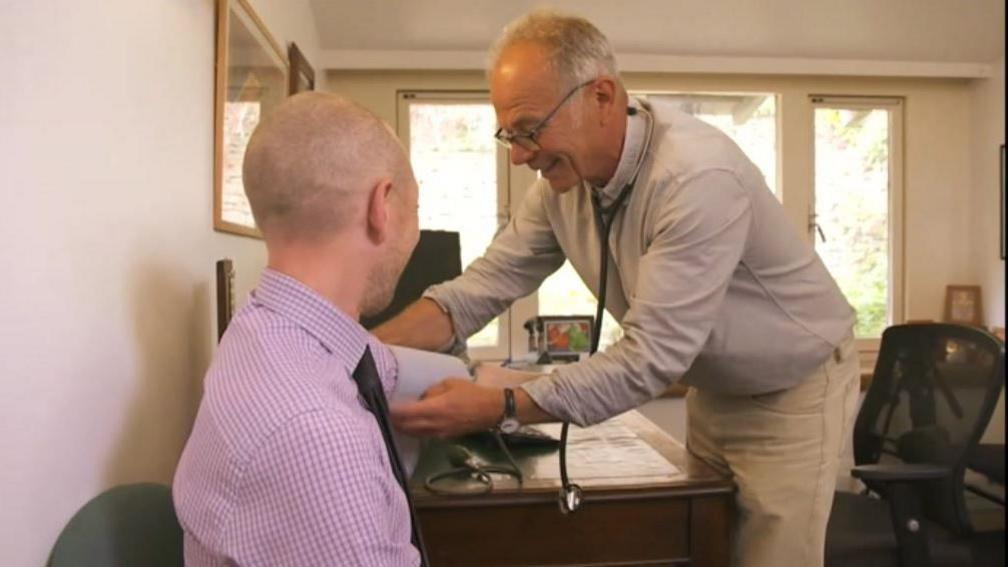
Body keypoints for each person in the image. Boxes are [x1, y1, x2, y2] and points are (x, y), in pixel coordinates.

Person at [379, 10, 860, 567]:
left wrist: (499, 403)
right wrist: (358, 347)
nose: (519, 153)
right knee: (705, 542)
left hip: (794, 388)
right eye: (510, 134)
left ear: (602, 97)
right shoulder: (560, 185)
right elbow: (480, 290)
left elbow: (652, 355)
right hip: (716, 387)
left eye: (530, 129)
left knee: (769, 559)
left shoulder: (696, 179)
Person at [173, 92, 424, 566]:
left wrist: (517, 392)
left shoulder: (271, 329)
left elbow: (388, 368)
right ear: (382, 206)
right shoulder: (317, 435)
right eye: (417, 207)